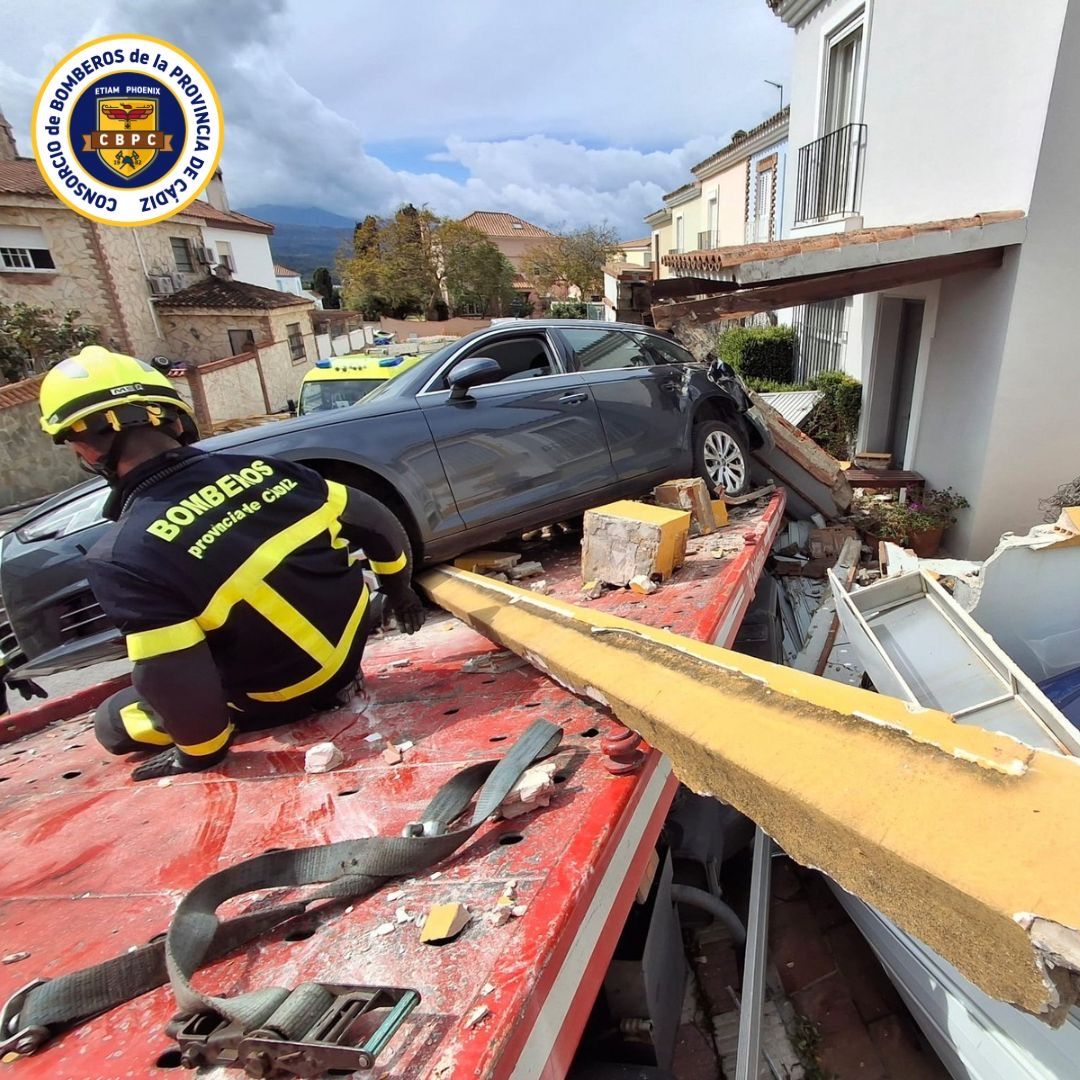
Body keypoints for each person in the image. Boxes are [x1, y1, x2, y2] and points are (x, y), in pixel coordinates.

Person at [38, 346, 425, 781]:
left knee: (113, 720)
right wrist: (399, 590)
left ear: (87, 450)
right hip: (349, 653)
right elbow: (377, 524)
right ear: (177, 421)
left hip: (279, 695)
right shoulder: (272, 470)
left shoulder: (122, 557)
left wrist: (199, 755)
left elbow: (173, 672)